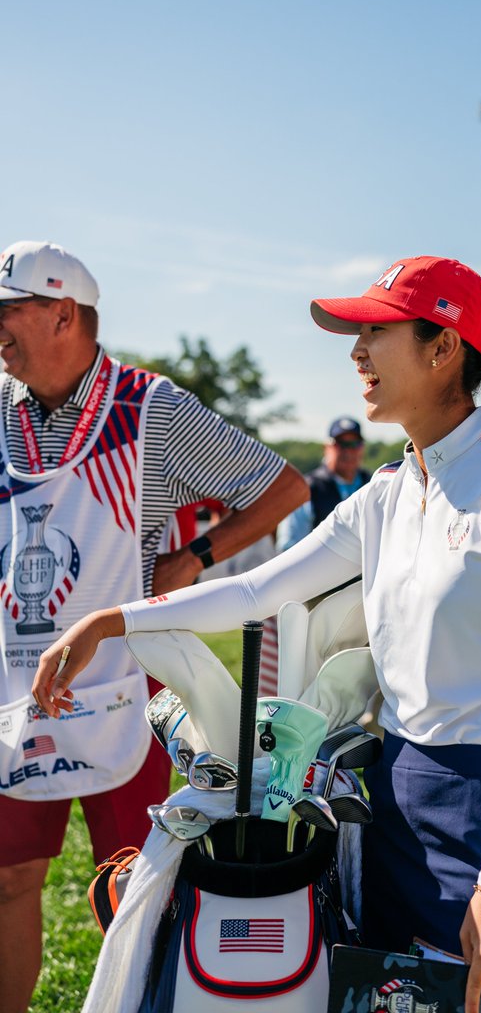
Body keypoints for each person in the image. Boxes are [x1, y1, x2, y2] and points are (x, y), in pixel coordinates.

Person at [33, 255, 481, 1013]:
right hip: (395, 797)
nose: (356, 352)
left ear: (442, 348)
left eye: (375, 332)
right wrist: (113, 621)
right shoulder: (386, 492)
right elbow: (259, 589)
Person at [0, 239, 309, 1013]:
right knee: (8, 879)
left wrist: (194, 558)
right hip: (15, 687)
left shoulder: (150, 407)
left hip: (121, 685)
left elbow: (281, 486)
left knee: (132, 884)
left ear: (63, 313)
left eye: (8, 311)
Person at [277, 416, 371, 550]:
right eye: (341, 444)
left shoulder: (372, 484)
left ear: (362, 447)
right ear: (326, 447)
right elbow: (290, 546)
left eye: (355, 444)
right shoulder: (306, 489)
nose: (348, 451)